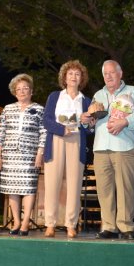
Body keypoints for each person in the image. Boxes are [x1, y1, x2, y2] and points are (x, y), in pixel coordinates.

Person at [91, 60, 134, 240]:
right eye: (105, 73)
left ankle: (126, 226)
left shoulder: (132, 91)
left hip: (124, 147)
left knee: (125, 188)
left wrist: (125, 121)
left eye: (112, 72)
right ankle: (108, 225)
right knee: (104, 190)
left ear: (120, 74)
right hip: (100, 148)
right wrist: (88, 120)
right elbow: (92, 120)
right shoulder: (98, 94)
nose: (108, 76)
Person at [43, 60, 92, 238]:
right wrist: (60, 129)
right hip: (56, 139)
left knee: (74, 184)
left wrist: (88, 123)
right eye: (70, 74)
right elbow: (46, 120)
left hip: (76, 141)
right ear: (64, 77)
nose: (73, 77)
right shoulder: (54, 96)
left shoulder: (86, 100)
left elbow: (90, 127)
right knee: (52, 184)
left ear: (81, 79)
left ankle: (71, 224)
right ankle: (50, 224)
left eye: (77, 74)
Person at [0, 74, 46, 236]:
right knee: (12, 189)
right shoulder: (8, 109)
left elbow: (43, 133)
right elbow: (0, 133)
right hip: (9, 155)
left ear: (31, 91)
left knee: (29, 188)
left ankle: (25, 223)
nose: (22, 91)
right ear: (14, 92)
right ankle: (16, 221)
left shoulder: (39, 109)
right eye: (19, 89)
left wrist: (40, 154)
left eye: (25, 88)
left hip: (30, 154)